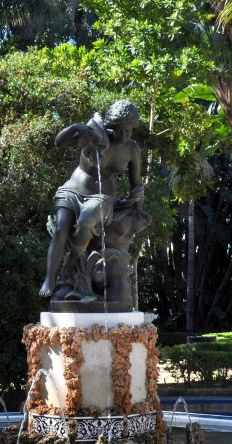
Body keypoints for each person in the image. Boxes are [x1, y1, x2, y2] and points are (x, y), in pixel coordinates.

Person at [40, 100, 145, 302]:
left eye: (128, 130)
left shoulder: (132, 149)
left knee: (86, 222)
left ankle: (69, 267)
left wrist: (138, 208)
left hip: (103, 197)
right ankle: (50, 278)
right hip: (73, 189)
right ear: (111, 126)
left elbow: (136, 184)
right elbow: (59, 143)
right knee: (61, 228)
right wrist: (76, 128)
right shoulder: (95, 135)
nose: (123, 134)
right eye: (119, 130)